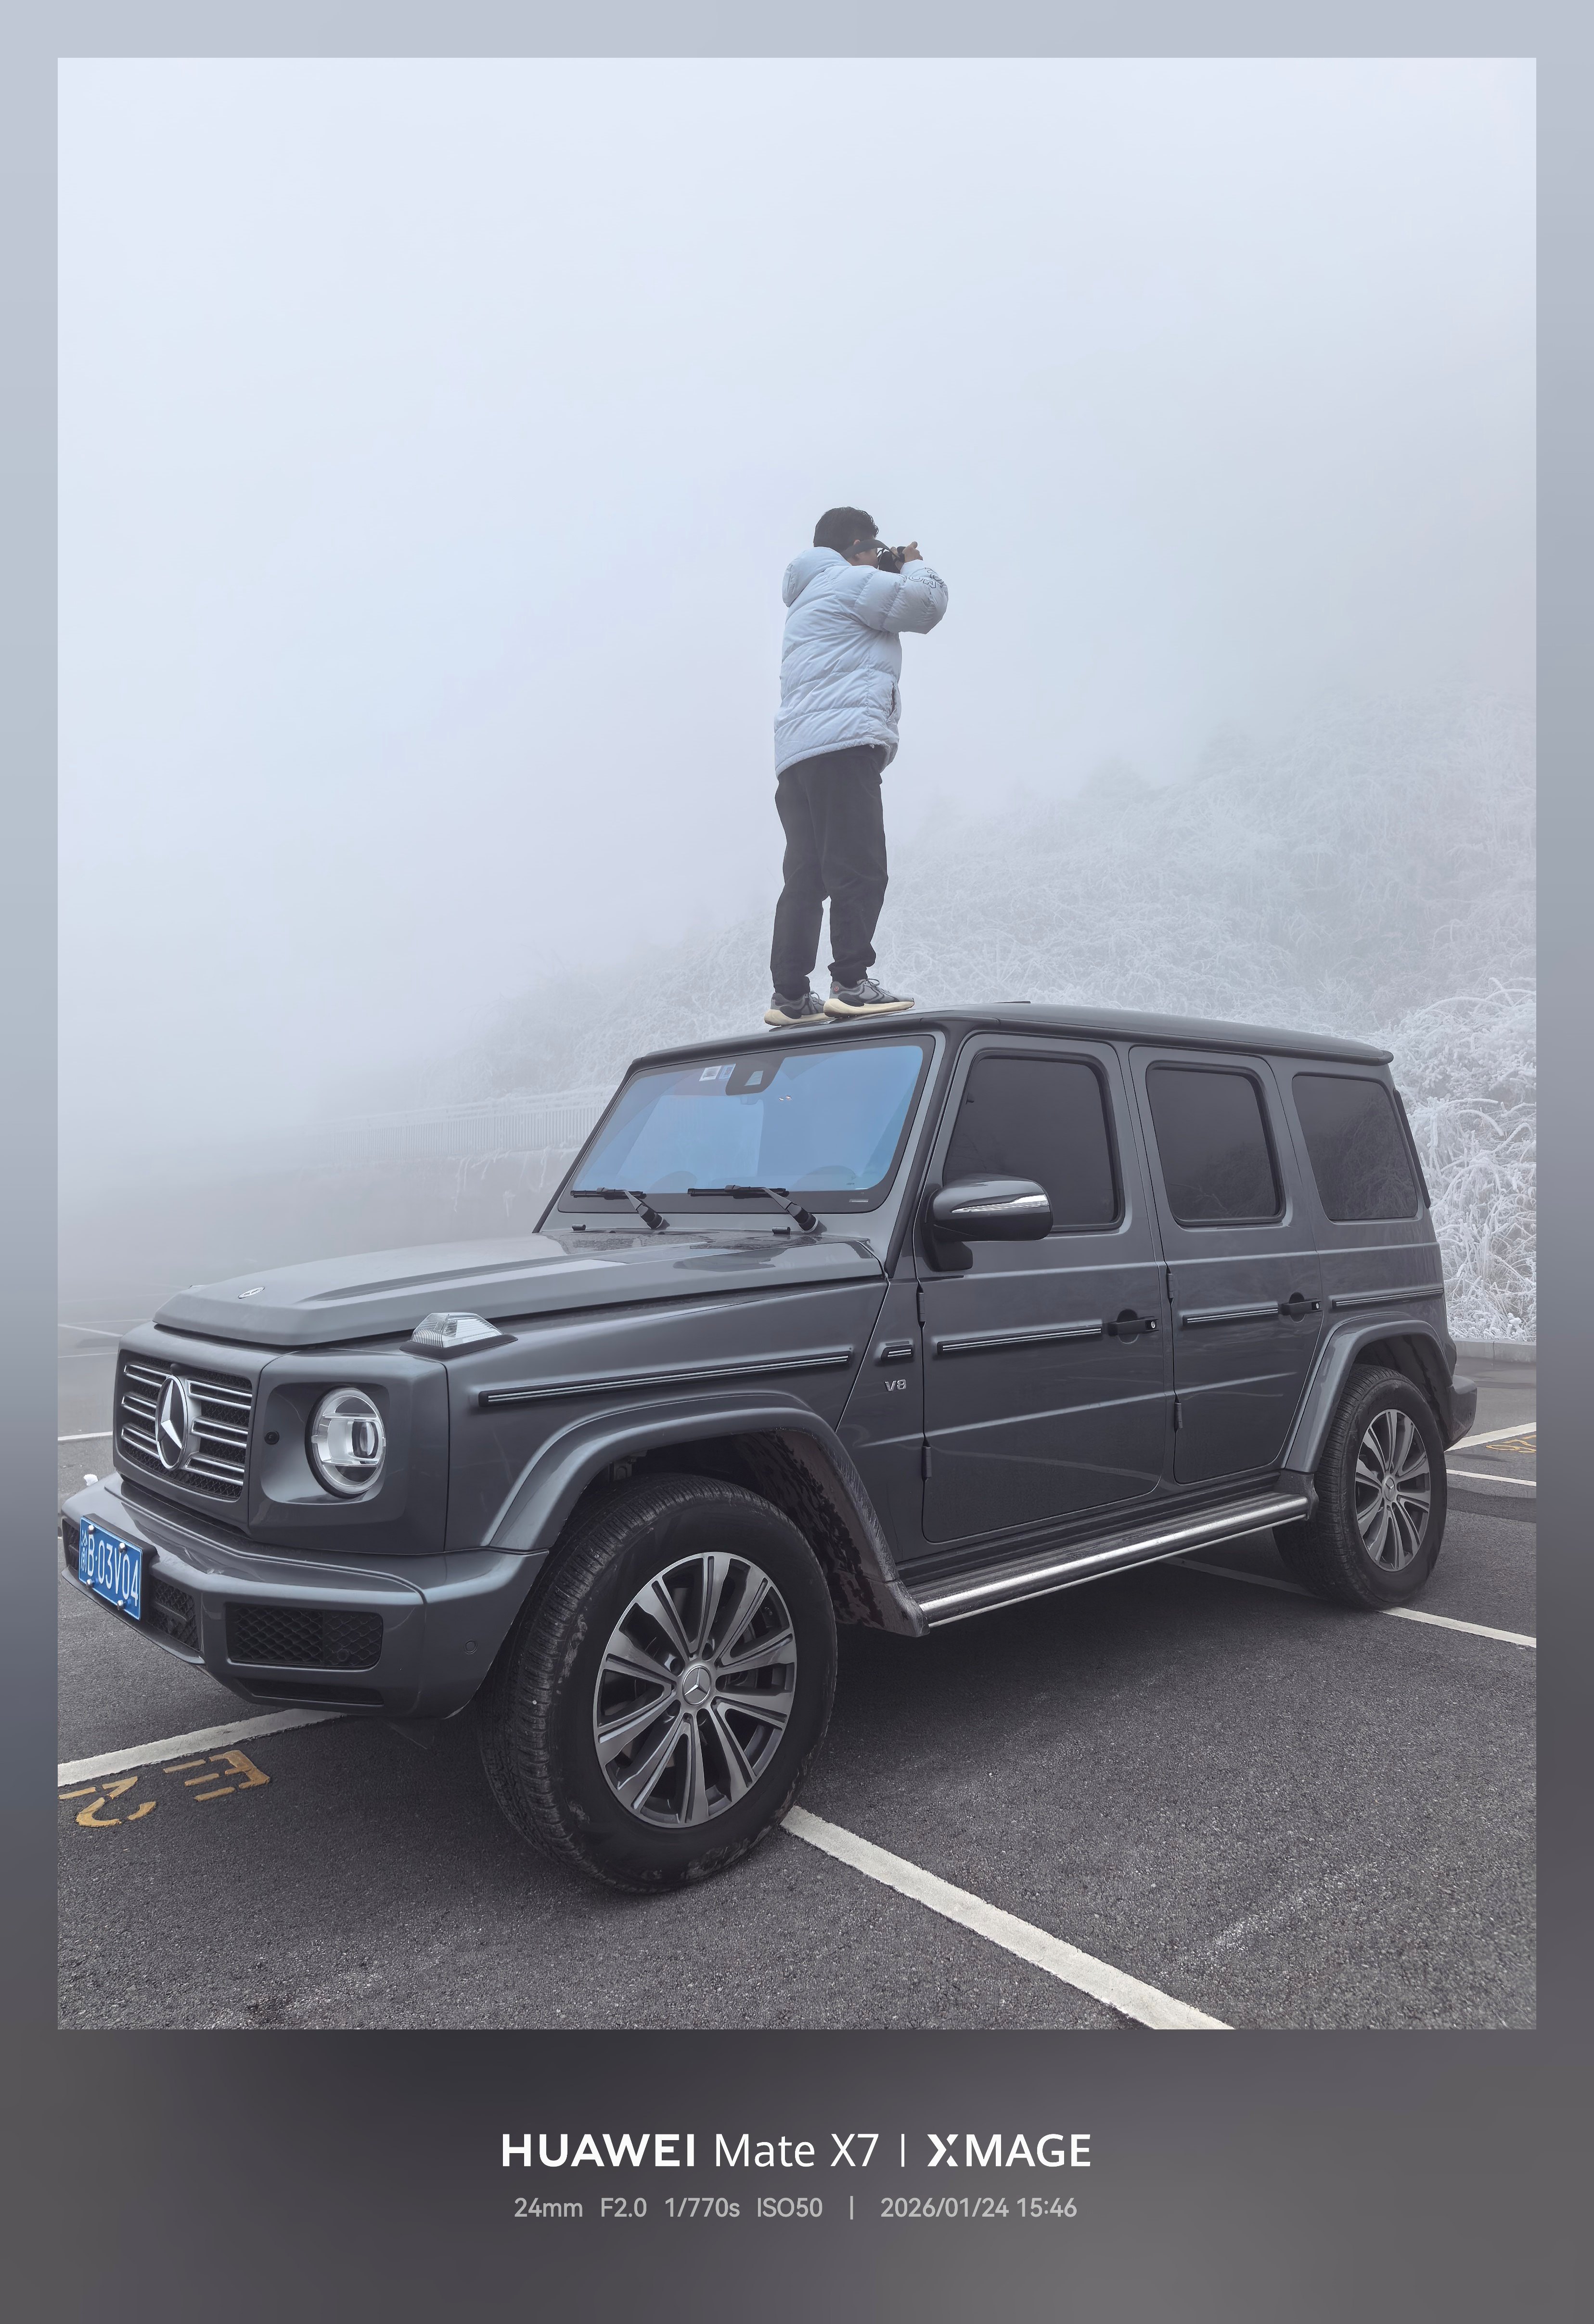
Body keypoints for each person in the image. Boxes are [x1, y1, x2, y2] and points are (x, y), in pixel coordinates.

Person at [764, 506, 948, 1027]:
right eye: (875, 547)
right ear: (856, 548)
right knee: (860, 867)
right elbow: (927, 605)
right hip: (843, 747)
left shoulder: (809, 596)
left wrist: (881, 565)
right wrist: (910, 564)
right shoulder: (849, 581)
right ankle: (851, 982)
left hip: (797, 758)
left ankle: (790, 997)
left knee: (807, 876)